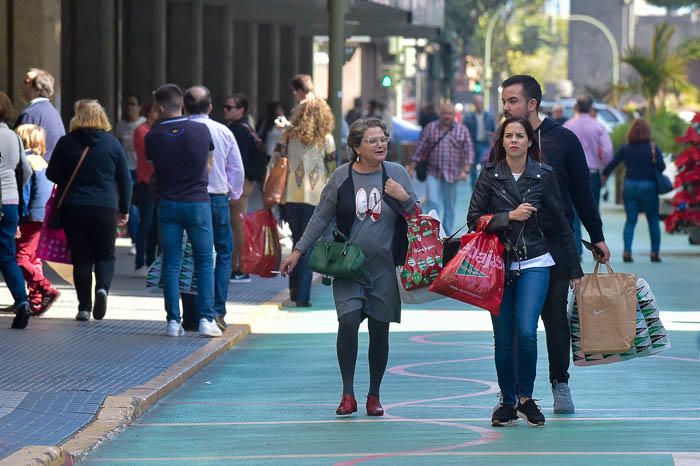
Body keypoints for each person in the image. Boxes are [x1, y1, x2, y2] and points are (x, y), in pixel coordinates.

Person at [279, 118, 417, 416]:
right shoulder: (342, 177)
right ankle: (347, 394)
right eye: (373, 140)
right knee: (349, 322)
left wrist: (403, 197)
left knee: (380, 331)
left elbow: (415, 214)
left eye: (383, 139)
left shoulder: (396, 174)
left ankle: (374, 395)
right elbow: (320, 216)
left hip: (384, 269)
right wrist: (298, 251)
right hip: (348, 267)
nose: (381, 144)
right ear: (356, 147)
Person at [499, 75, 611, 413]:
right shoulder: (504, 140)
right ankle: (516, 394)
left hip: (556, 245)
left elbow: (582, 193)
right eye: (504, 101)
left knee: (554, 318)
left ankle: (559, 383)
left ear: (532, 104)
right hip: (512, 246)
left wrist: (598, 236)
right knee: (518, 323)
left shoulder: (563, 140)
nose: (506, 107)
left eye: (513, 101)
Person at [468, 116, 582, 427]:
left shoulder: (543, 175)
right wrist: (509, 216)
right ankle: (507, 401)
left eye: (520, 135)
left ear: (530, 142)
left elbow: (562, 226)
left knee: (526, 331)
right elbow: (473, 219)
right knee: (503, 337)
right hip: (498, 265)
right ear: (501, 141)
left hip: (535, 261)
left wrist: (574, 270)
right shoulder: (489, 175)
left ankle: (526, 398)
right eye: (509, 136)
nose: (514, 140)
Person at [145, 83, 221, 338]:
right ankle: (206, 318)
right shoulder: (201, 130)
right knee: (204, 260)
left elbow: (154, 166)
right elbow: (209, 163)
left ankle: (172, 322)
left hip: (167, 203)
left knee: (172, 260)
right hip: (198, 202)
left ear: (162, 107)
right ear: (182, 105)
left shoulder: (153, 136)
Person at [47, 99, 132, 322]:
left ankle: (84, 307)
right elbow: (124, 180)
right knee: (105, 254)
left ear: (78, 117)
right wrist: (124, 208)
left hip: (74, 207)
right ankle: (102, 289)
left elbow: (51, 174)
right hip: (105, 207)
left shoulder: (66, 142)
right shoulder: (112, 144)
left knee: (81, 258)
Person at [185, 85, 245, 331]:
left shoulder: (180, 130)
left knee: (193, 254)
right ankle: (217, 311)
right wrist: (234, 192)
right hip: (218, 197)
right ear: (210, 107)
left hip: (188, 198)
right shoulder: (223, 132)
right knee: (223, 252)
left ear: (185, 107)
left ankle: (191, 312)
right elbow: (237, 168)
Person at [272, 94, 335, 307]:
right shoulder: (326, 138)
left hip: (290, 196)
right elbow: (332, 169)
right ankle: (302, 295)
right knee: (307, 245)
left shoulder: (288, 136)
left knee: (296, 242)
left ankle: (293, 289)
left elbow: (274, 162)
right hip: (316, 199)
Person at [602, 119, 664, 263]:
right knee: (653, 220)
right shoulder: (653, 148)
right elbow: (661, 167)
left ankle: (627, 252)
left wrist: (604, 175)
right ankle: (654, 253)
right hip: (649, 186)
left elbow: (612, 164)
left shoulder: (626, 148)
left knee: (630, 221)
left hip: (630, 185)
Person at [15, 124, 59, 315]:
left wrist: (18, 219)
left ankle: (46, 287)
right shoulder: (42, 161)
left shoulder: (25, 162)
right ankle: (36, 300)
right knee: (34, 258)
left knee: (20, 258)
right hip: (43, 215)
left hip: (31, 216)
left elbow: (24, 193)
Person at [409, 102, 474, 234]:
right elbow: (421, 149)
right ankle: (435, 233)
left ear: (454, 115)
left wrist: (465, 170)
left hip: (453, 174)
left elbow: (469, 151)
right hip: (433, 173)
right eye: (444, 113)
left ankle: (448, 235)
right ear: (440, 114)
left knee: (449, 207)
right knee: (433, 203)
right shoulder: (430, 128)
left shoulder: (462, 130)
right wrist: (412, 167)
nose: (447, 116)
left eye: (450, 114)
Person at [223, 93, 266, 283]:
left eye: (229, 107)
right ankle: (238, 266)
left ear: (241, 110)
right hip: (245, 181)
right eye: (225, 106)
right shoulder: (246, 128)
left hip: (239, 182)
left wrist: (234, 185)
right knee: (237, 225)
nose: (225, 110)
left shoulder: (238, 131)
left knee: (237, 226)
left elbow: (236, 162)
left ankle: (239, 267)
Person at [564, 95, 613, 257]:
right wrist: (603, 165)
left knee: (573, 214)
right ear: (591, 108)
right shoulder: (598, 127)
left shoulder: (567, 126)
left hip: (570, 174)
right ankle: (597, 248)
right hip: (592, 173)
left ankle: (576, 250)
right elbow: (607, 152)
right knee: (592, 211)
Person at [0, 92, 32, 329]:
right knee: (7, 255)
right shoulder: (13, 136)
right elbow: (27, 169)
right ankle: (22, 301)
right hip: (10, 202)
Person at [131, 98, 160, 276]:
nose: (159, 114)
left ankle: (151, 261)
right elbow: (151, 155)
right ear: (149, 113)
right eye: (156, 111)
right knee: (146, 223)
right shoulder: (141, 131)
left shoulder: (158, 130)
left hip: (159, 183)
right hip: (146, 182)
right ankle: (140, 262)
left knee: (156, 225)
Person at [116, 94, 146, 253]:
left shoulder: (143, 124)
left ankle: (144, 239)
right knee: (131, 208)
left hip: (141, 169)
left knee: (143, 208)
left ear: (140, 107)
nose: (130, 107)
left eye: (134, 104)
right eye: (128, 104)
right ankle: (135, 240)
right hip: (127, 169)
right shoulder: (121, 126)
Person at [16, 68, 66, 161]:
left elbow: (19, 152)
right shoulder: (54, 112)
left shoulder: (30, 114)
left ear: (37, 88)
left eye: (26, 81)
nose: (21, 86)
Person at [463, 95, 496, 192]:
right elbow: (464, 132)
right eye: (477, 103)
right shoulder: (468, 117)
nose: (479, 105)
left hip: (485, 144)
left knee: (484, 167)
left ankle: (483, 188)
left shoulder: (489, 116)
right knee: (472, 169)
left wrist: (493, 142)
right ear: (474, 104)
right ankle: (474, 190)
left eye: (481, 103)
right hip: (472, 145)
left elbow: (494, 131)